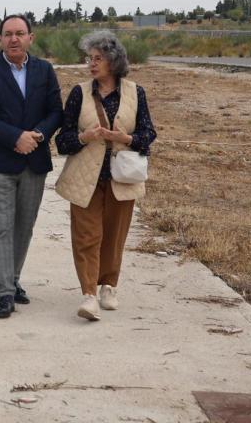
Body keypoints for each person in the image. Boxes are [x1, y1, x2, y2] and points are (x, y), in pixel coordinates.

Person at [55, 30, 156, 321]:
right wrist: (84, 137)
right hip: (84, 178)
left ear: (113, 61)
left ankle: (109, 286)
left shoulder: (136, 93)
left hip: (121, 177)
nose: (91, 64)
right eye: (90, 58)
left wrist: (125, 138)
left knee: (114, 236)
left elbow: (148, 134)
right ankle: (89, 295)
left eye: (97, 58)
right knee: (86, 237)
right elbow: (62, 141)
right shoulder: (79, 93)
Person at [0, 14, 63, 319]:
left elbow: (55, 111)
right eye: (8, 34)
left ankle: (13, 279)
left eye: (19, 33)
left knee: (23, 227)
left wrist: (38, 134)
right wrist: (15, 138)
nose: (13, 39)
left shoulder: (45, 70)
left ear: (30, 38)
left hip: (35, 160)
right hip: (1, 161)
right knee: (1, 228)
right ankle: (5, 294)